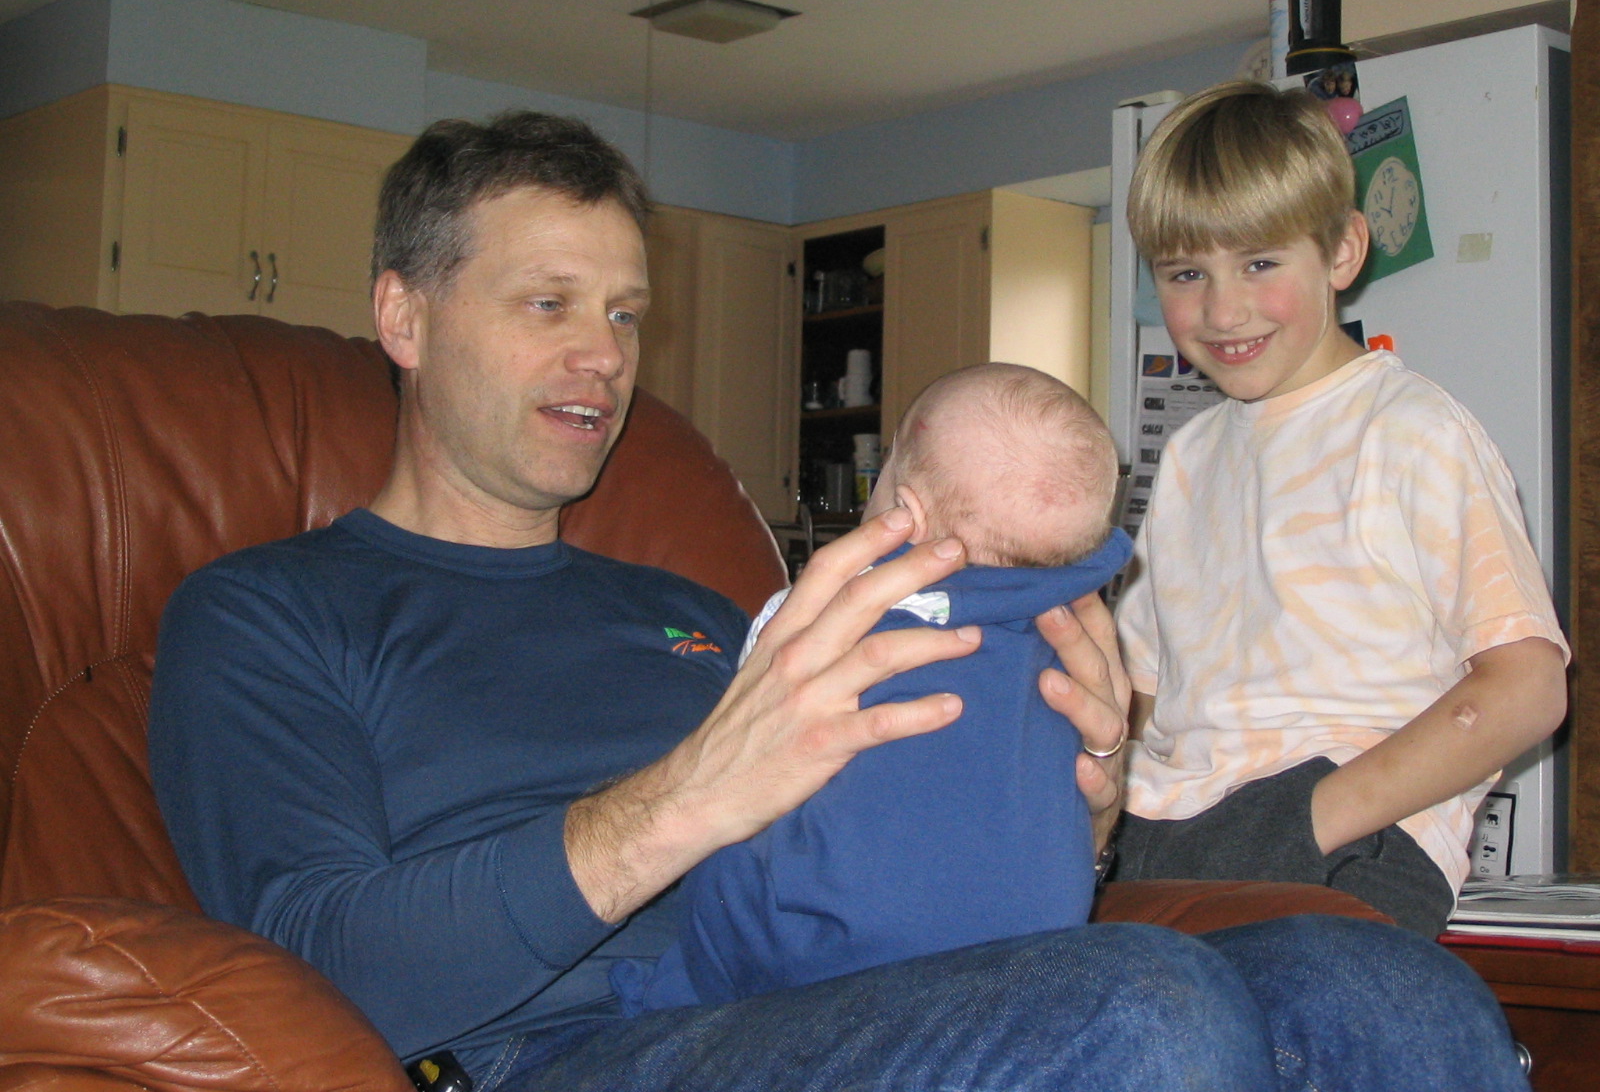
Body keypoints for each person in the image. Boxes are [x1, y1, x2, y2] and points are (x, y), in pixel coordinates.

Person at [148, 108, 1533, 1092]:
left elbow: (918, 846)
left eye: (624, 314)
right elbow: (317, 959)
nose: (604, 357)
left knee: (1378, 988)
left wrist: (1089, 794)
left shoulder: (696, 608)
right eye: (547, 304)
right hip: (566, 1051)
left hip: (834, 992)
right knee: (1140, 1010)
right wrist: (696, 790)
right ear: (403, 315)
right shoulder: (270, 614)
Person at [1111, 80, 1569, 938]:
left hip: (1345, 830)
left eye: (1259, 263)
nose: (1222, 309)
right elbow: (1140, 692)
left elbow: (1528, 688)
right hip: (1165, 830)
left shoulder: (1414, 430)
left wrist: (1314, 818)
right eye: (1186, 273)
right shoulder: (1188, 457)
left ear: (1343, 252)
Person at [612, 363, 1133, 1011]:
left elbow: (751, 714)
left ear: (904, 513)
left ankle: (667, 994)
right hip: (1024, 955)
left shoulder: (828, 610)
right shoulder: (1073, 634)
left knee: (725, 883)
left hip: (817, 952)